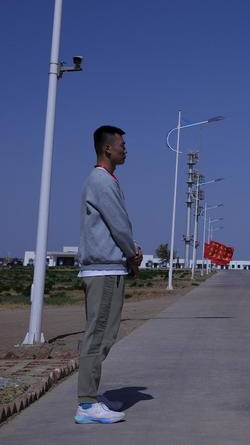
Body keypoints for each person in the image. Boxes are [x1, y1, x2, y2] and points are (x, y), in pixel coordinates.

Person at [74, 125, 142, 424]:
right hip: (103, 270)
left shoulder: (104, 180)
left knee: (103, 333)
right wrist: (132, 255)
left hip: (107, 268)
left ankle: (91, 398)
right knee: (99, 335)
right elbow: (119, 225)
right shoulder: (102, 181)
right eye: (121, 145)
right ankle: (87, 404)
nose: (125, 150)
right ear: (107, 149)